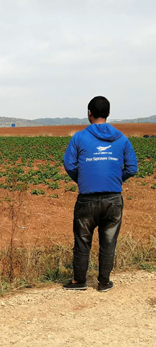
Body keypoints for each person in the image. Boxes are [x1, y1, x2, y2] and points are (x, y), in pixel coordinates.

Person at [63, 96, 138, 292]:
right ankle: (104, 282)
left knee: (82, 239)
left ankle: (79, 281)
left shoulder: (79, 137)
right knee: (108, 241)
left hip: (87, 198)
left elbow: (69, 164)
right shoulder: (122, 139)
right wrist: (115, 179)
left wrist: (83, 179)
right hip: (113, 199)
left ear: (89, 113)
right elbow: (132, 167)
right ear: (109, 114)